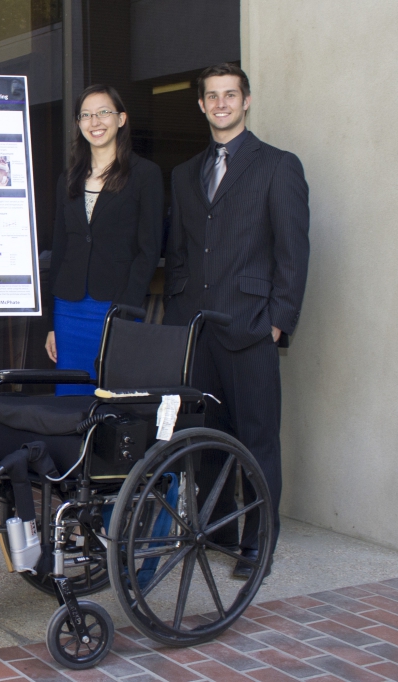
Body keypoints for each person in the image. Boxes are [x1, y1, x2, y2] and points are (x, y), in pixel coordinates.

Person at [163, 63, 310, 578]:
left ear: (246, 101)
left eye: (231, 95)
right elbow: (178, 255)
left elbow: (293, 252)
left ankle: (257, 544)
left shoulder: (278, 166)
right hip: (198, 333)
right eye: (212, 96)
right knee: (205, 441)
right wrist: (180, 318)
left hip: (251, 329)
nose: (221, 103)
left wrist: (278, 322)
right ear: (201, 106)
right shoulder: (184, 174)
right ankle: (219, 530)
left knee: (257, 441)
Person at [45, 84, 163, 395]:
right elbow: (60, 249)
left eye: (103, 113)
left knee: (113, 398)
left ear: (121, 119)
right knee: (69, 398)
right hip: (68, 308)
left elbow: (148, 250)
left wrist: (126, 310)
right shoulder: (68, 179)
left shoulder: (145, 175)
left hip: (116, 306)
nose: (94, 122)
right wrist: (50, 323)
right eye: (86, 115)